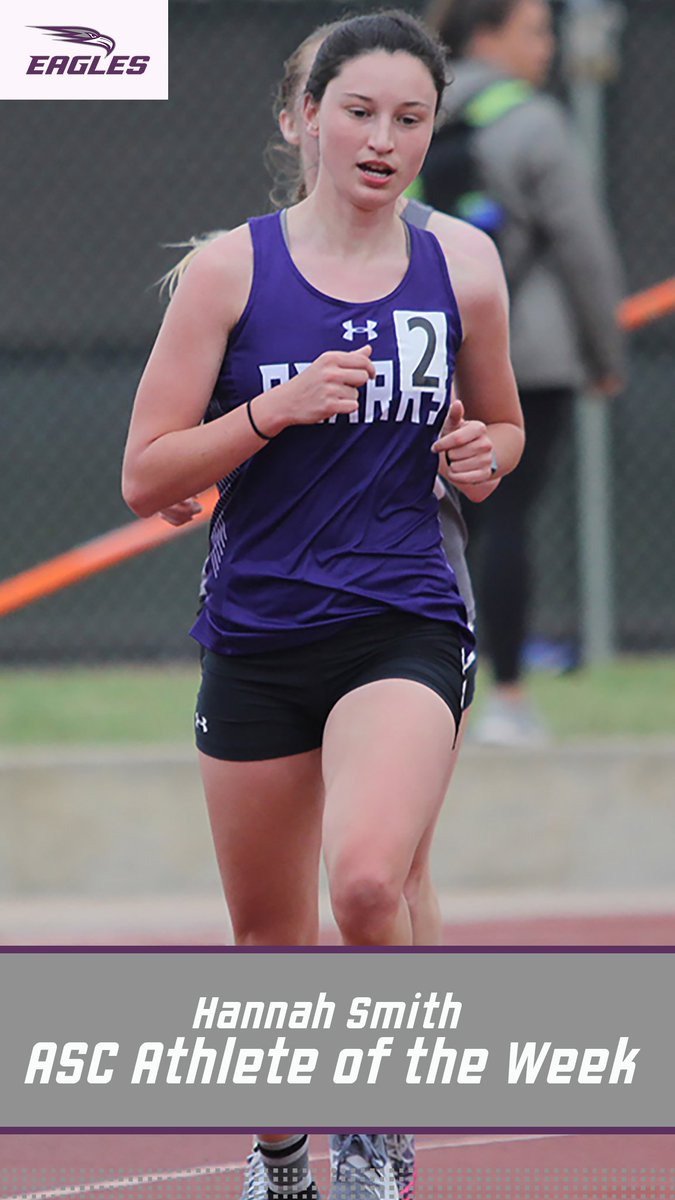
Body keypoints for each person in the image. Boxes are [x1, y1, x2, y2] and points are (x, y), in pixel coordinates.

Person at [123, 10, 523, 1198]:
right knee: (268, 940)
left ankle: (376, 1142)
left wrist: (484, 455)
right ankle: (283, 1153)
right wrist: (272, 410)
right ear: (303, 118)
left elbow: (500, 425)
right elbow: (148, 472)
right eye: (359, 112)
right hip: (255, 634)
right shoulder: (229, 273)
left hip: (404, 615)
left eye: (410, 119)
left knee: (365, 879)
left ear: (431, 133)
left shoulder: (464, 264)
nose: (383, 139)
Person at [423, 0, 625, 745]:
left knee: (442, 525)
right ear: (487, 33)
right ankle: (505, 698)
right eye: (534, 31)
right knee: (503, 518)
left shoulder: (415, 111)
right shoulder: (533, 121)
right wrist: (604, 354)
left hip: (428, 354)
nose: (546, 47)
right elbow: (581, 244)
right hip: (530, 355)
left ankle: (437, 696)